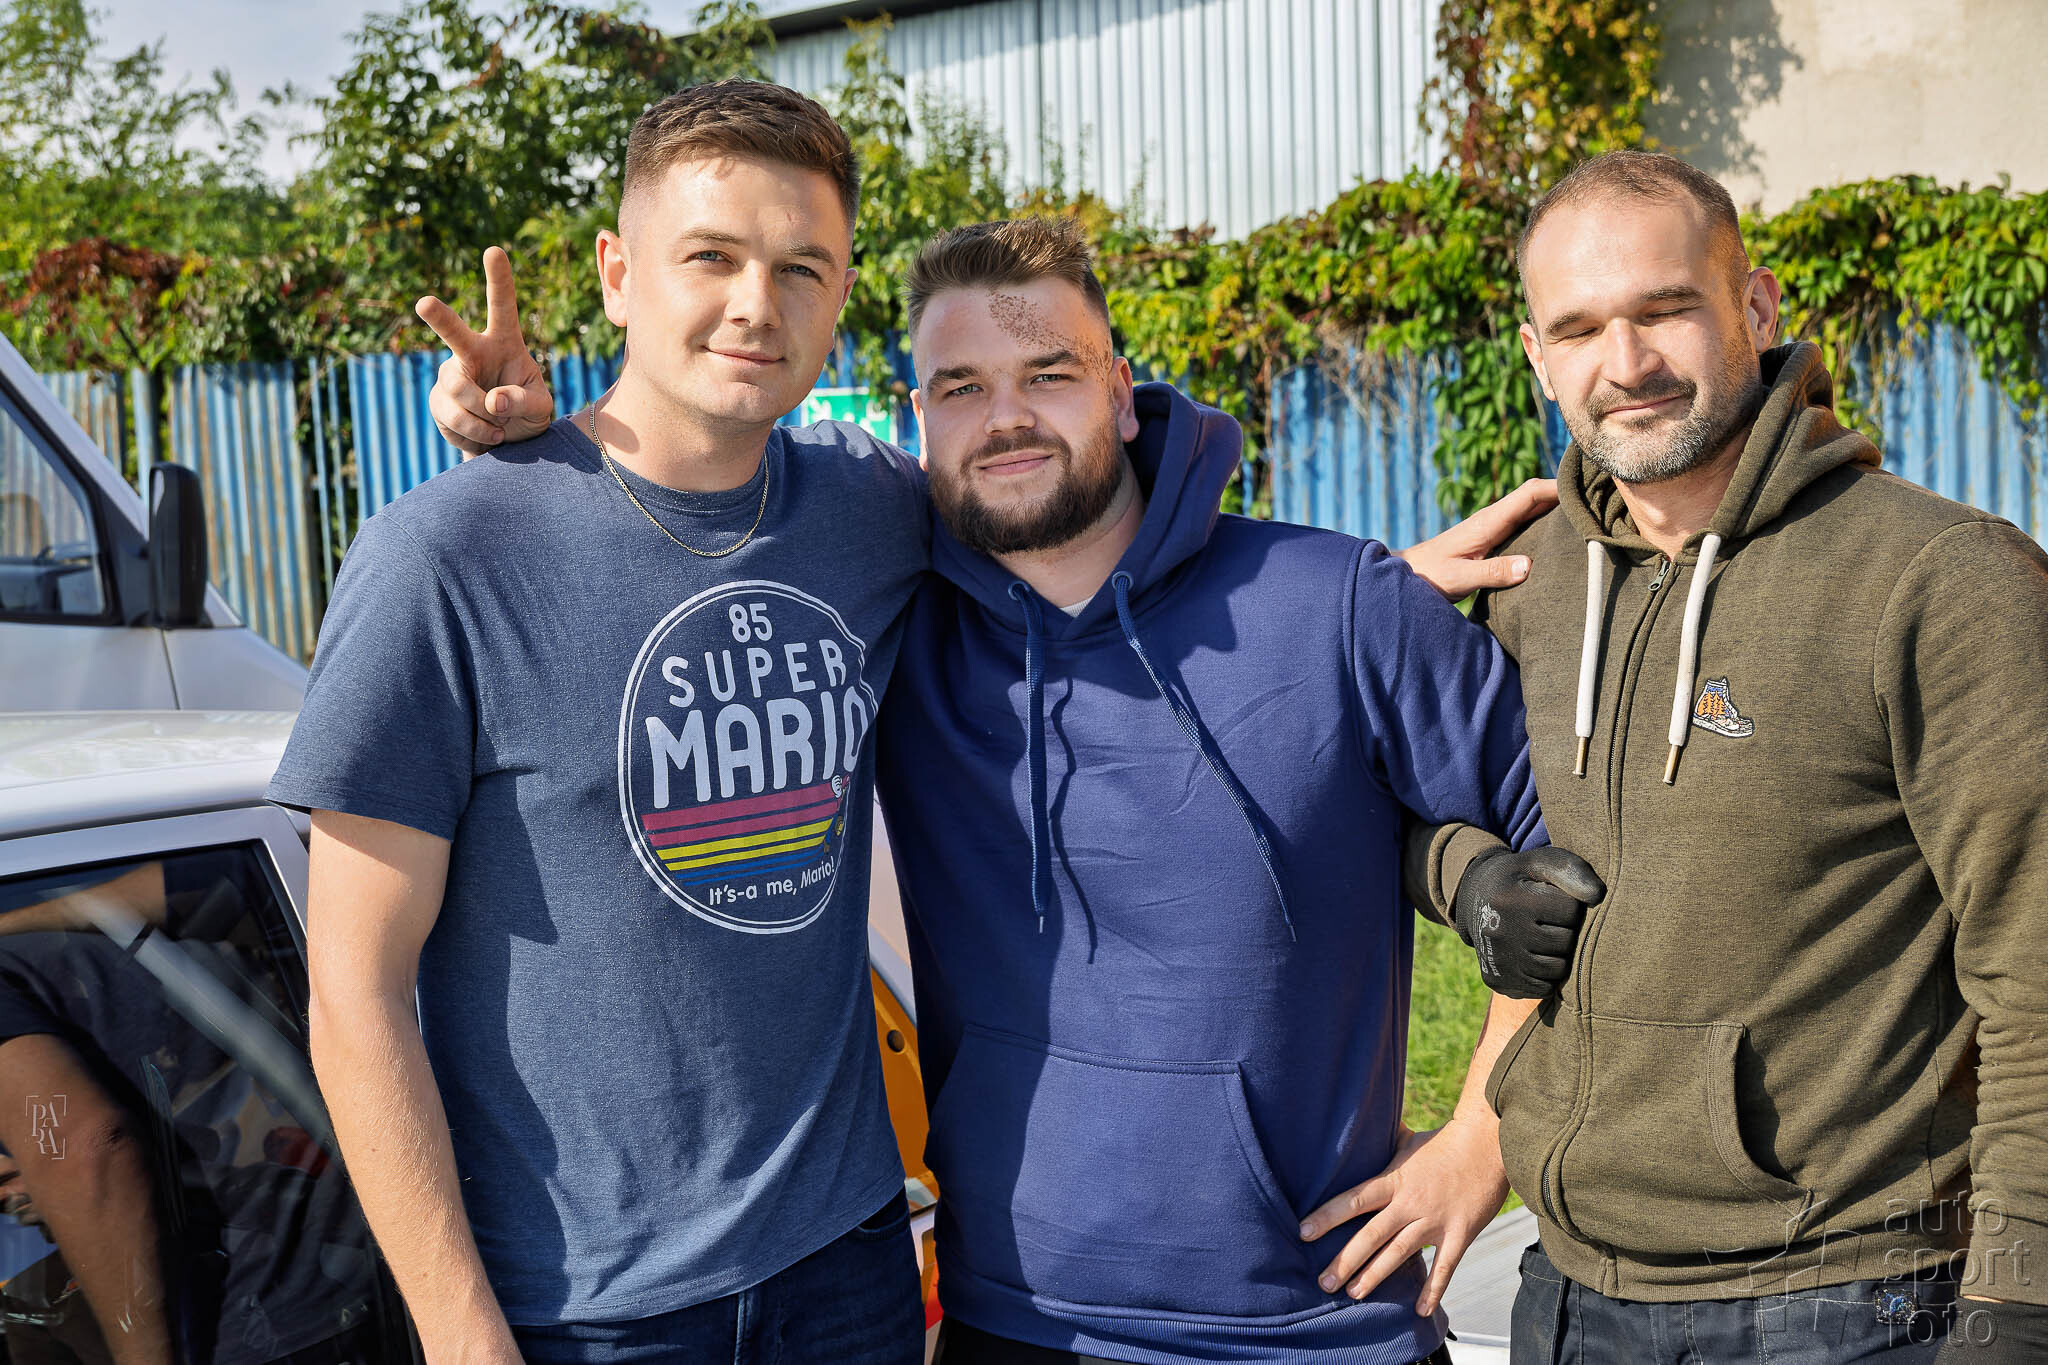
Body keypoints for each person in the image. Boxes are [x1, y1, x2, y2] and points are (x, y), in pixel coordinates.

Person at [437, 202, 1607, 1360]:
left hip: (1312, 1331)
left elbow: (1573, 852)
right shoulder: (891, 627)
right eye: (960, 387)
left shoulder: (1336, 604)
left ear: (1119, 390)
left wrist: (1481, 1136)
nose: (1005, 419)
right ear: (918, 422)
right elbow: (681, 547)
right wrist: (551, 461)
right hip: (1008, 1323)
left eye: (1048, 374)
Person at [1465, 149, 2048, 1364]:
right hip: (1566, 1292)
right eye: (1577, 329)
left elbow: (2033, 964)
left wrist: (2018, 1307)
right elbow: (1389, 786)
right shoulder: (1528, 580)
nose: (1624, 363)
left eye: (1663, 308)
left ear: (1756, 307)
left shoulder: (1938, 581)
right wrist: (1462, 879)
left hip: (1840, 1304)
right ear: (1534, 357)